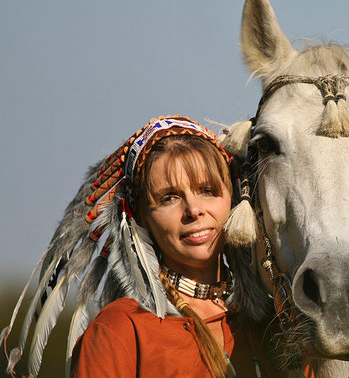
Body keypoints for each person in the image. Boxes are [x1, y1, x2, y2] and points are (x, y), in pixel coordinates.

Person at [1, 115, 279, 378]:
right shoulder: (121, 329)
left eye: (207, 191)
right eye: (169, 198)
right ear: (143, 218)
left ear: (233, 198)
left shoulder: (276, 324)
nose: (193, 210)